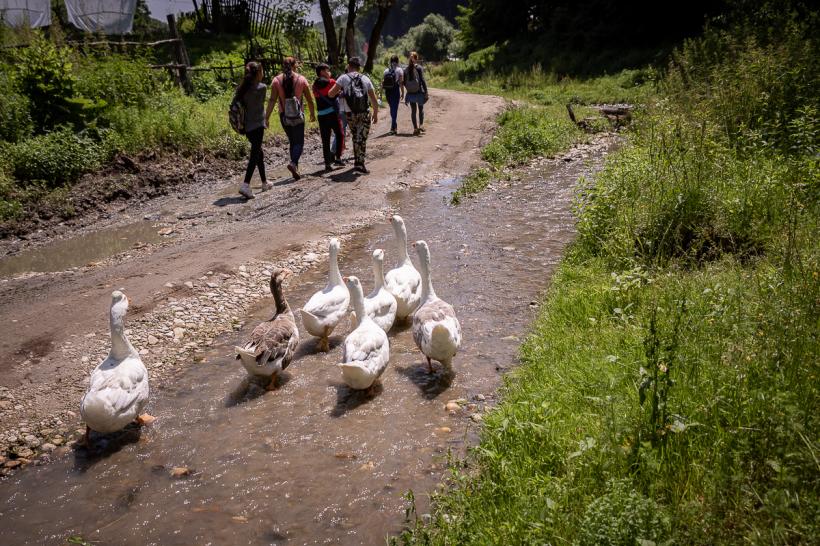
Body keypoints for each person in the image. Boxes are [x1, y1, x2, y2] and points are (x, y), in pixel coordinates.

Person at [266, 57, 316, 180]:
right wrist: (312, 113)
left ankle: (295, 168)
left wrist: (266, 117)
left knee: (293, 141)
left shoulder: (276, 80)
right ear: (294, 66)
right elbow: (309, 99)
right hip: (298, 115)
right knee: (299, 142)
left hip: (284, 116)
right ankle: (293, 163)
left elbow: (272, 100)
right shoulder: (301, 79)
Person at [328, 57, 379, 174]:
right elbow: (374, 100)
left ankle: (358, 163)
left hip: (350, 114)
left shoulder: (343, 78)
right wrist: (375, 114)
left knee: (356, 136)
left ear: (348, 66)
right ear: (359, 67)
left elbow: (330, 94)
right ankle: (360, 163)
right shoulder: (366, 78)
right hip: (364, 112)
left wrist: (341, 93)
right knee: (362, 138)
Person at [235, 61, 269, 199]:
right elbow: (260, 105)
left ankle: (264, 182)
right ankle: (246, 184)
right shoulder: (262, 88)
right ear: (258, 73)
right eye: (262, 71)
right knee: (255, 154)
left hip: (246, 127)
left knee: (258, 152)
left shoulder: (241, 89)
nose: (263, 74)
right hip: (258, 125)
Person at [403, 51, 428, 136]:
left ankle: (415, 129)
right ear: (416, 59)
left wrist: (407, 90)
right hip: (419, 92)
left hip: (411, 93)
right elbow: (423, 80)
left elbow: (404, 82)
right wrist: (426, 92)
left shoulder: (406, 69)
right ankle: (421, 125)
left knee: (413, 111)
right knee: (420, 109)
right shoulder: (419, 68)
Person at [382, 55, 404, 135]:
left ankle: (394, 126)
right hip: (395, 91)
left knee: (392, 108)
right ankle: (393, 127)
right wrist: (403, 92)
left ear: (390, 61)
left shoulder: (386, 71)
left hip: (388, 92)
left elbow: (383, 82)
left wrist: (381, 93)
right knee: (395, 109)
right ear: (397, 61)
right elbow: (401, 82)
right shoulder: (399, 70)